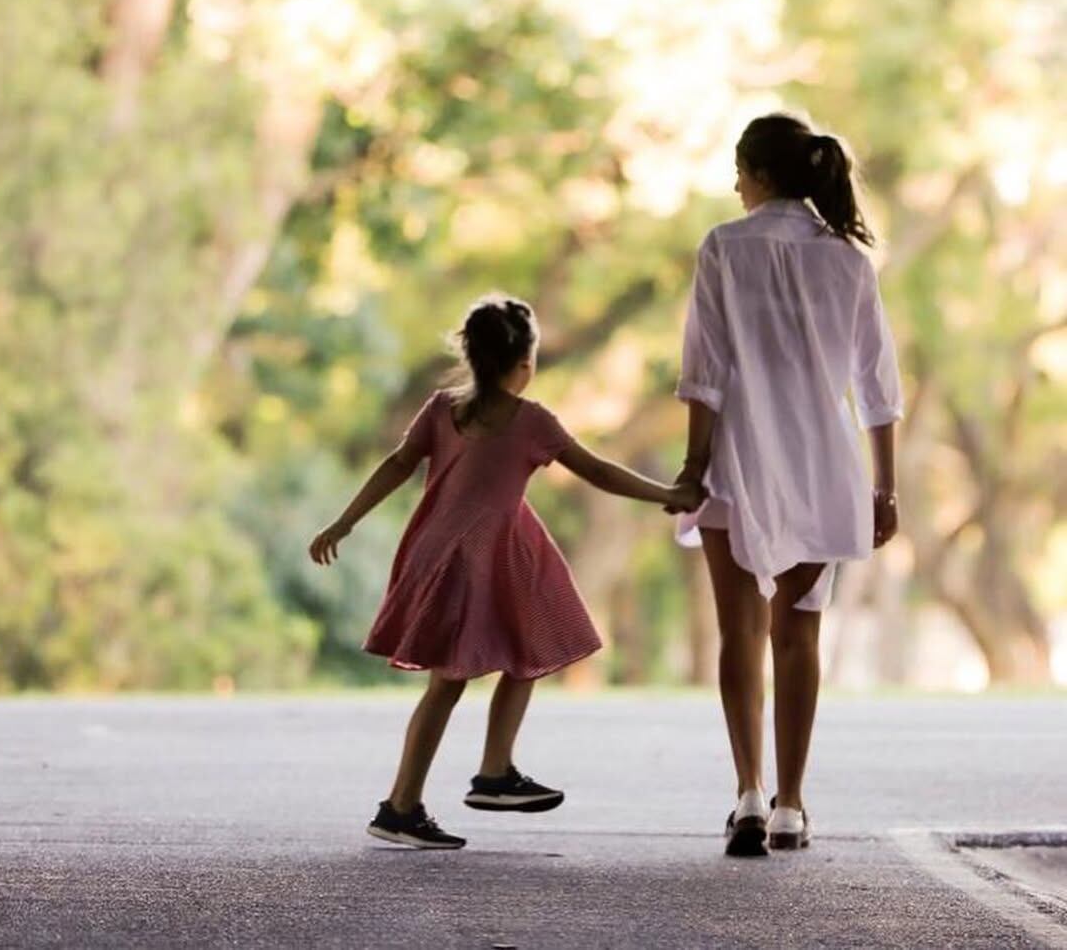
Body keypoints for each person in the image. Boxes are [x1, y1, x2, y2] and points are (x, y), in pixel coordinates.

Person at [310, 294, 700, 851]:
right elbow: (595, 471)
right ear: (525, 364)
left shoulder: (443, 409)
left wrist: (344, 522)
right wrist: (668, 494)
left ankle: (478, 777)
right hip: (476, 558)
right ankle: (417, 800)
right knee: (463, 675)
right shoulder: (530, 420)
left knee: (512, 652)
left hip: (444, 552)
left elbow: (397, 465)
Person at [671, 112, 903, 857]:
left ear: (761, 174)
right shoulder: (850, 261)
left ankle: (746, 793)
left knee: (738, 630)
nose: (733, 184)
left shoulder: (722, 248)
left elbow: (704, 374)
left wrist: (692, 466)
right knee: (797, 636)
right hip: (819, 464)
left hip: (738, 460)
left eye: (738, 170)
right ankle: (792, 805)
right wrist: (885, 488)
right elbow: (877, 388)